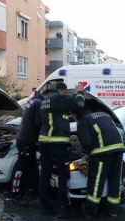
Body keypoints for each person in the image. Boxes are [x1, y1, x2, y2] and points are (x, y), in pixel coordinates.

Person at [38, 82, 84, 219]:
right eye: (64, 93)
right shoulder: (58, 98)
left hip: (44, 142)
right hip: (57, 144)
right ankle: (64, 207)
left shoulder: (45, 101)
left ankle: (44, 205)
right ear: (61, 91)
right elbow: (79, 103)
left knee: (45, 174)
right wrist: (80, 92)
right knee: (64, 175)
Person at [77, 110, 125, 219]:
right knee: (115, 180)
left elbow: (86, 142)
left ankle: (90, 210)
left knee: (97, 181)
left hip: (102, 152)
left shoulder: (85, 120)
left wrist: (86, 154)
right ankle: (113, 210)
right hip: (118, 149)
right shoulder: (106, 115)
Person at [11, 89, 50, 205]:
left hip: (25, 139)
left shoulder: (32, 100)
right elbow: (38, 123)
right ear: (46, 95)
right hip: (27, 141)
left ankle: (30, 188)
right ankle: (15, 194)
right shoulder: (39, 104)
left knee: (29, 165)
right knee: (21, 167)